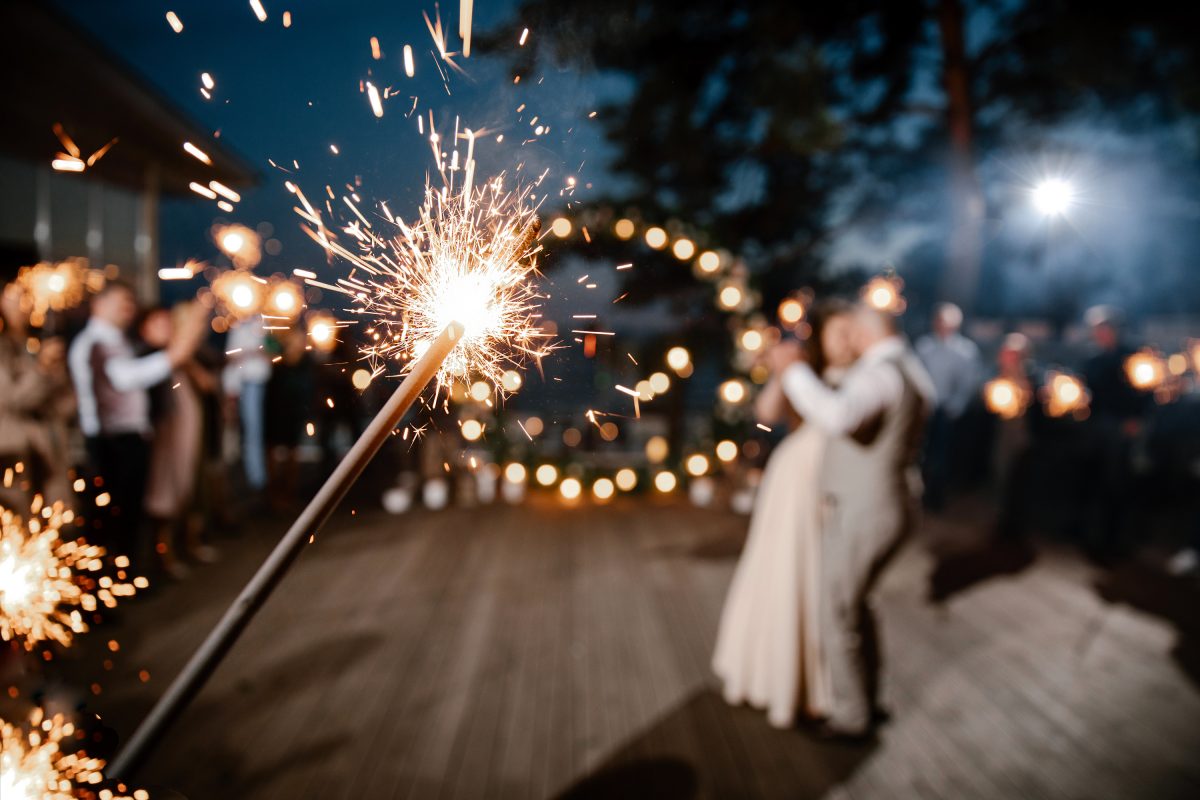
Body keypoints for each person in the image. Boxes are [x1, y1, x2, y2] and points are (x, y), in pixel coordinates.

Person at [777, 303, 934, 738]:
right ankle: (867, 700)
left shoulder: (880, 373)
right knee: (856, 607)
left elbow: (838, 416)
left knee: (836, 609)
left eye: (850, 333)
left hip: (867, 508)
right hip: (891, 502)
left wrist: (792, 370)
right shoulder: (909, 368)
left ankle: (851, 717)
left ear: (864, 334)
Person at [713, 301, 857, 729]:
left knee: (810, 574)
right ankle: (767, 676)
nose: (846, 340)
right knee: (775, 569)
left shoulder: (857, 381)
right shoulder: (809, 375)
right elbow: (766, 413)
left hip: (821, 483)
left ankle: (811, 687)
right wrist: (782, 369)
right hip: (791, 479)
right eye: (838, 332)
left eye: (851, 333)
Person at [67, 281, 207, 567]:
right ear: (99, 304)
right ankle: (105, 585)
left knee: (127, 513)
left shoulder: (114, 340)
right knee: (110, 517)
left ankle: (124, 576)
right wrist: (176, 350)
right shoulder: (95, 343)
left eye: (130, 303)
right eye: (121, 303)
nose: (128, 310)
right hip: (111, 442)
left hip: (127, 439)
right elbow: (125, 378)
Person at [139, 305, 215, 579]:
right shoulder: (150, 356)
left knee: (186, 489)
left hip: (186, 434)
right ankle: (165, 556)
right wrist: (197, 317)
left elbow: (206, 382)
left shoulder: (176, 359)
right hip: (166, 436)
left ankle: (186, 545)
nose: (166, 330)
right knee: (164, 495)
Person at [1077, 305, 1148, 562]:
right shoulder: (1092, 359)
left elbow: (1146, 390)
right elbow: (1086, 393)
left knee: (1116, 483)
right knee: (1093, 479)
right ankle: (1089, 535)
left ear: (1112, 329)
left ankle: (1113, 541)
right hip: (1096, 427)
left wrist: (1137, 419)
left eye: (1101, 329)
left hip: (1121, 428)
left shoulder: (1133, 356)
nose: (1098, 334)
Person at [0, 279, 75, 510]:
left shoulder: (35, 345)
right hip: (15, 452)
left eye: (27, 297)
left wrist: (54, 370)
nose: (25, 304)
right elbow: (13, 400)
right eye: (15, 297)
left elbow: (66, 405)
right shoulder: (4, 349)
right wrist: (41, 369)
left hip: (49, 448)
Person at [915, 302, 980, 509]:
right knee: (918, 452)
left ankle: (936, 497)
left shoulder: (965, 351)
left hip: (946, 411)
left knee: (940, 456)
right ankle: (916, 494)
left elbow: (967, 383)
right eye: (940, 321)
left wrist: (955, 407)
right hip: (925, 408)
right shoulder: (924, 346)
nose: (942, 325)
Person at [223, 315, 271, 494]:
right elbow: (230, 356)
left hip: (255, 382)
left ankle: (256, 477)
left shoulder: (263, 324)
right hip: (239, 384)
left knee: (253, 430)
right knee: (245, 430)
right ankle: (251, 476)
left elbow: (271, 351)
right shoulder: (238, 326)